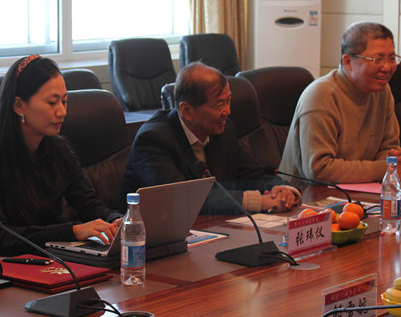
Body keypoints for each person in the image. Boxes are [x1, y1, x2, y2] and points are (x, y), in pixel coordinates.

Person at [0, 55, 121, 258]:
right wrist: (72, 231)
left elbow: (89, 205)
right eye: (52, 103)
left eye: (64, 101)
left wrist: (115, 220)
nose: (62, 112)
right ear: (19, 105)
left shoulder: (59, 150)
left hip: (44, 261)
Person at [121, 62, 300, 215]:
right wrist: (258, 201)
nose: (227, 111)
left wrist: (283, 189)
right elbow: (182, 199)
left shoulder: (223, 129)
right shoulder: (153, 140)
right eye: (219, 105)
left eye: (228, 101)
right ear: (187, 111)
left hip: (215, 228)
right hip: (147, 236)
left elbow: (255, 174)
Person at [279, 22, 401, 183]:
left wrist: (396, 159)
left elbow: (388, 149)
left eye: (392, 58)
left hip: (361, 190)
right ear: (348, 62)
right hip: (308, 194)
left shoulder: (382, 91)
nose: (387, 67)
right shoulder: (322, 95)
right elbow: (319, 169)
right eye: (377, 59)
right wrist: (387, 167)